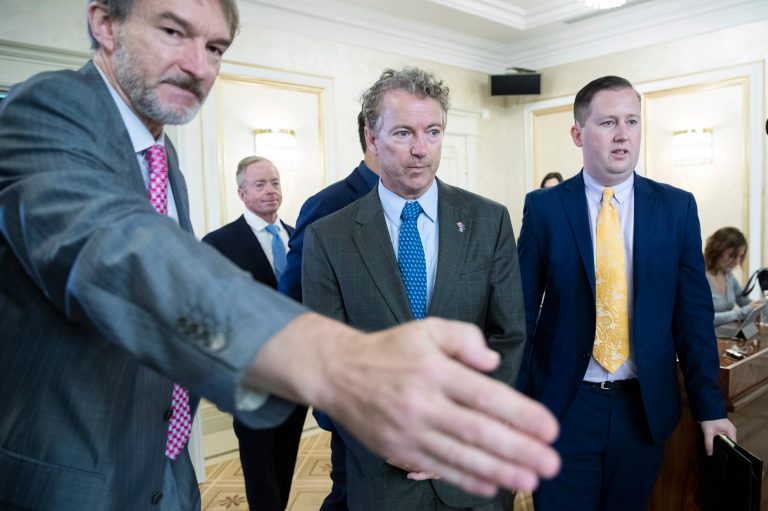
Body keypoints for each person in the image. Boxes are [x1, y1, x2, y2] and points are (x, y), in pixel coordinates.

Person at [0, 0, 561, 509]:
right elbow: (124, 255)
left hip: (164, 474)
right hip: (71, 480)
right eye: (174, 32)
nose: (199, 66)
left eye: (216, 47)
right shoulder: (48, 109)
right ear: (104, 24)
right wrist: (336, 363)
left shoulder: (160, 156)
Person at [302, 67, 526, 511]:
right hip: (383, 480)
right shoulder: (329, 236)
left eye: (433, 132)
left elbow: (509, 337)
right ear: (372, 137)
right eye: (404, 133)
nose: (421, 150)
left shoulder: (489, 221)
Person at [516, 75, 736, 511]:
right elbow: (519, 313)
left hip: (643, 408)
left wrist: (710, 408)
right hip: (564, 405)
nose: (623, 135)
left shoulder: (676, 208)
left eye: (632, 121)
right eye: (608, 122)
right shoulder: (545, 209)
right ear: (578, 133)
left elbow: (693, 317)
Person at [279, 111, 380, 511]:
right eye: (404, 131)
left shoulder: (432, 203)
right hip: (352, 396)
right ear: (373, 138)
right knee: (350, 498)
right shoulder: (329, 205)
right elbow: (294, 300)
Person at [202, 156, 305, 511]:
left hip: (295, 378)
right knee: (259, 468)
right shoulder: (218, 243)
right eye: (260, 184)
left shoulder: (298, 239)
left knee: (285, 460)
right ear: (242, 193)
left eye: (275, 182)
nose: (270, 191)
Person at [703, 227, 763, 326]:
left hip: (725, 336)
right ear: (716, 251)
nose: (736, 262)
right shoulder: (699, 276)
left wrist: (760, 306)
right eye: (731, 256)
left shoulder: (728, 275)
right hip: (705, 337)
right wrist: (740, 313)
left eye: (740, 256)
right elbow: (703, 317)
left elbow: (744, 302)